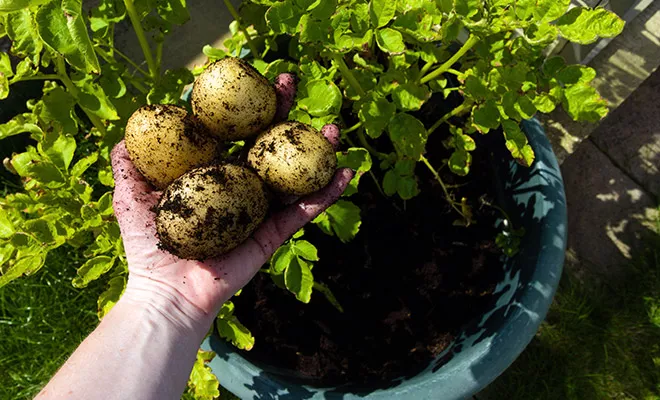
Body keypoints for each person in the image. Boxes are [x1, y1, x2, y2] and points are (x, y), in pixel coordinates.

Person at [36, 75, 353, 400]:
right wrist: (161, 296)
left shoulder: (248, 167)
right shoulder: (226, 182)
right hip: (234, 182)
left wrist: (159, 301)